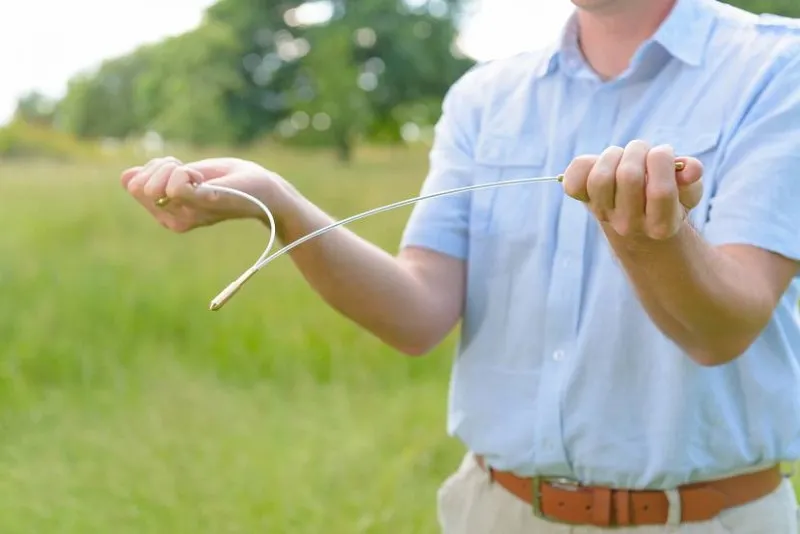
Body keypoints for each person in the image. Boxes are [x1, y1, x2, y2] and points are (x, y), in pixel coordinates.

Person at [120, 0, 800, 530]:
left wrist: (650, 238)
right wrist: (281, 204)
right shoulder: (484, 96)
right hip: (494, 513)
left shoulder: (779, 67)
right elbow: (417, 314)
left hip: (708, 521)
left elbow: (722, 329)